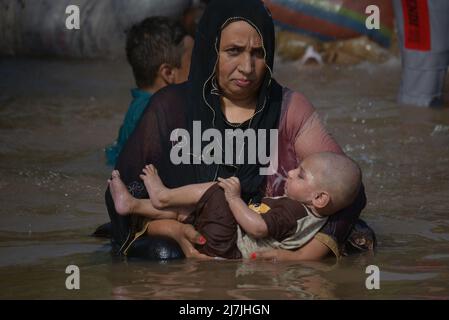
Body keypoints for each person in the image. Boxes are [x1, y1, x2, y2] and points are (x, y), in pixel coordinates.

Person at [105, 0, 373, 261]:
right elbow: (126, 188)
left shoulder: (288, 107)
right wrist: (173, 230)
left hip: (267, 233)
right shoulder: (169, 106)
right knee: (164, 254)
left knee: (360, 239)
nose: (247, 67)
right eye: (233, 51)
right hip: (187, 229)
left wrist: (303, 255)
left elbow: (346, 188)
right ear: (210, 51)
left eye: (258, 53)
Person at [108, 152, 362, 259]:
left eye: (301, 175)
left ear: (319, 198)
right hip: (227, 240)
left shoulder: (294, 211)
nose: (291, 172)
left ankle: (162, 195)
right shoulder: (308, 214)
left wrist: (233, 198)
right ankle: (132, 205)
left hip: (228, 244)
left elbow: (260, 228)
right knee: (187, 210)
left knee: (218, 192)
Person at [105, 16, 194, 166]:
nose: (204, 65)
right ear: (168, 73)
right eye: (195, 59)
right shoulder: (156, 115)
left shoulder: (140, 108)